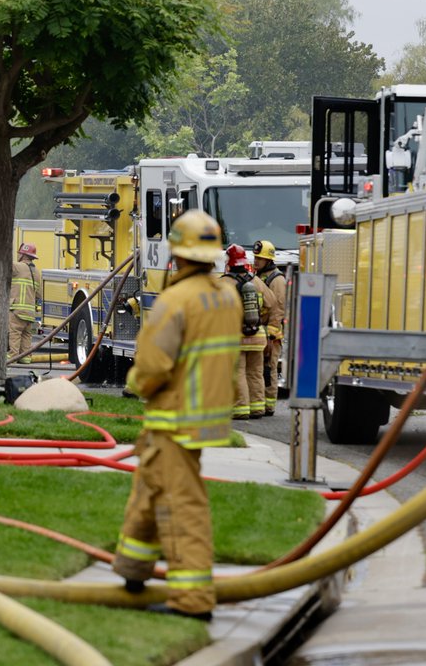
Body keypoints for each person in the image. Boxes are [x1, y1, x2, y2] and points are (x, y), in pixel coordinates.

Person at [113, 210, 241, 622]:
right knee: (150, 489)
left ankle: (192, 600)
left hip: (174, 416)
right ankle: (133, 570)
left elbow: (152, 367)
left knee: (181, 504)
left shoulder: (176, 300)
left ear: (177, 252)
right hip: (205, 415)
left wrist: (135, 382)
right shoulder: (227, 296)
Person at [223, 244, 271, 420]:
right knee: (256, 372)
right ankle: (258, 408)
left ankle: (241, 408)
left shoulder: (223, 283)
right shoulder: (256, 281)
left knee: (238, 372)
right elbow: (271, 303)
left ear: (229, 263)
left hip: (236, 337)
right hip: (257, 336)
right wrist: (260, 318)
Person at [252, 239, 287, 415]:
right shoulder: (260, 276)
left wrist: (271, 334)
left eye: (260, 258)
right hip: (260, 330)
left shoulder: (277, 279)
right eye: (255, 257)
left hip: (271, 333)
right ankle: (261, 401)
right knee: (258, 368)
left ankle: (269, 405)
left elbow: (278, 308)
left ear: (268, 260)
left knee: (270, 368)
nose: (256, 261)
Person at [9, 242, 42, 363]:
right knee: (26, 334)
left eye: (19, 254)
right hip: (30, 311)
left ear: (23, 255)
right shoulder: (36, 272)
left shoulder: (17, 266)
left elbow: (4, 267)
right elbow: (39, 294)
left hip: (17, 309)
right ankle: (25, 357)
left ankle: (13, 356)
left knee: (15, 332)